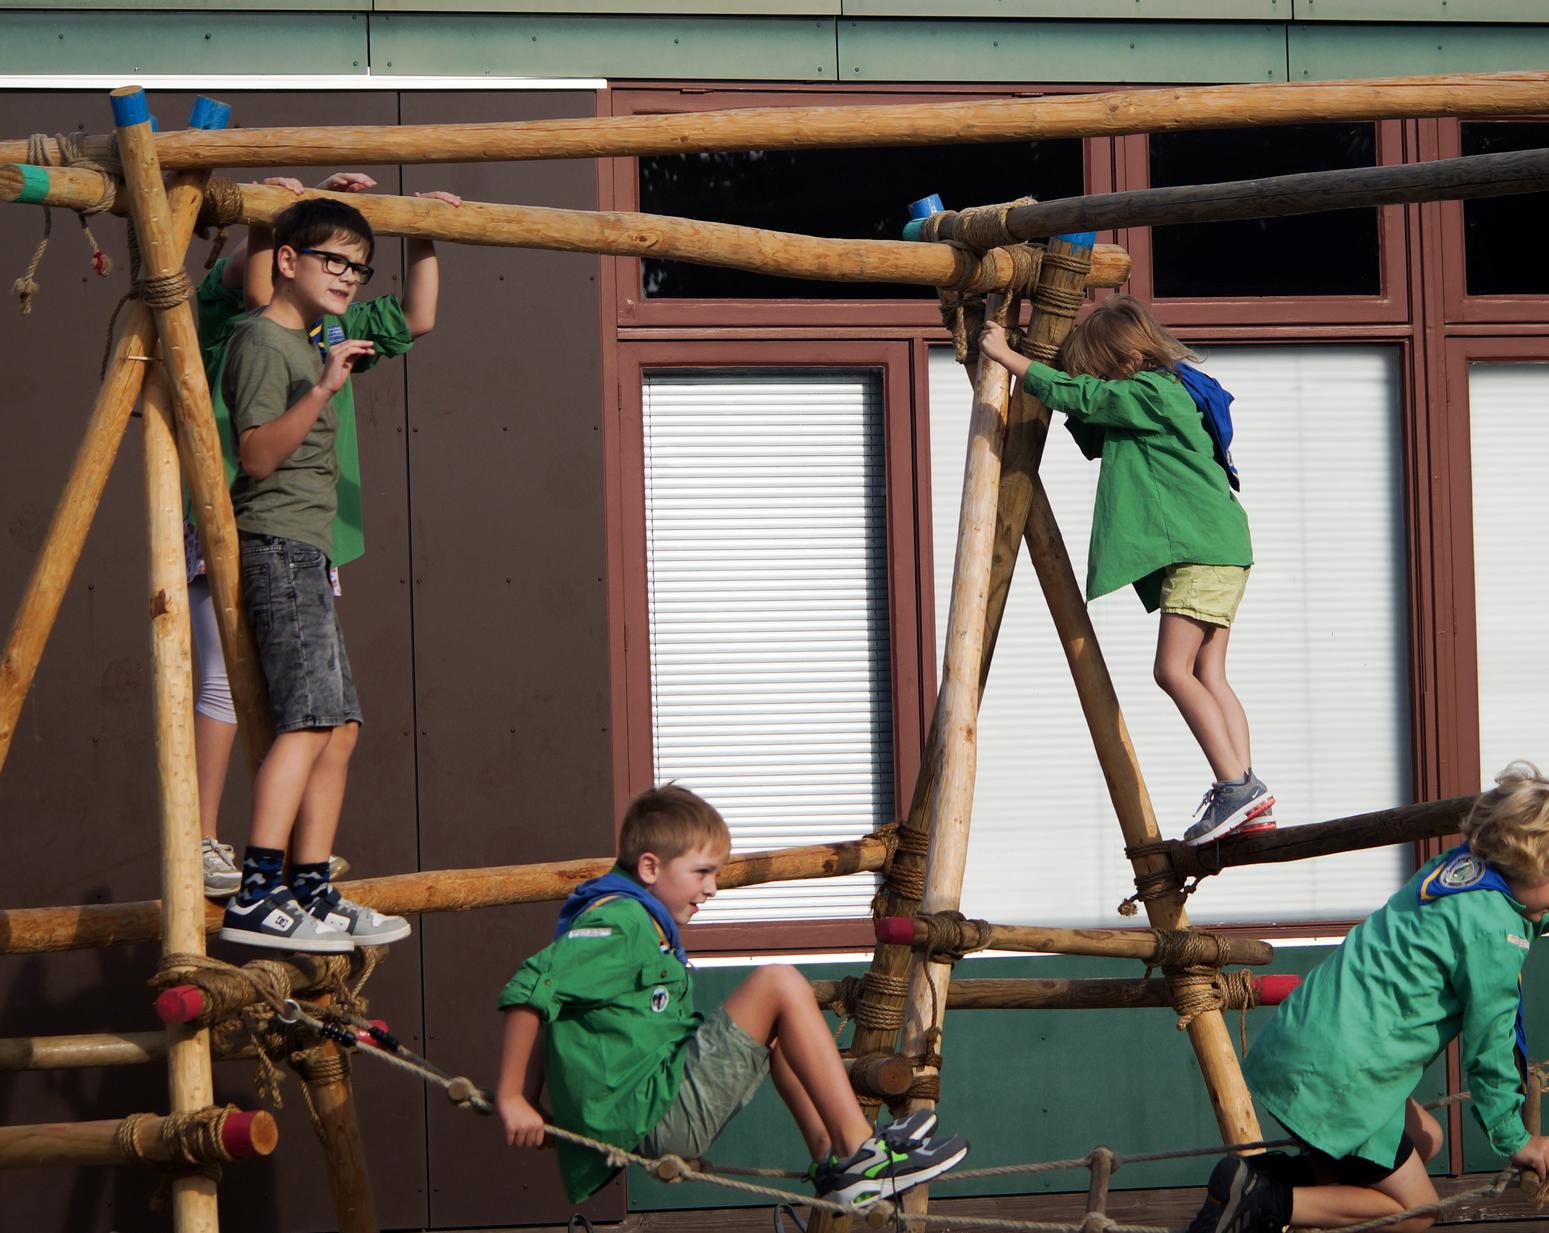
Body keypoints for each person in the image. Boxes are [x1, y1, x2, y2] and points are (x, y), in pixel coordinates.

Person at [1183, 763, 1549, 1233]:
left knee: (1427, 1138)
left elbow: (1529, 897)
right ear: (1522, 865)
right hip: (1346, 1077)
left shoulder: (1460, 868)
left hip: (1307, 1041)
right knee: (1417, 1213)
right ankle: (1269, 1199)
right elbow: (1490, 1046)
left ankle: (1259, 1182)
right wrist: (1515, 1139)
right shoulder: (1495, 934)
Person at [494, 785, 970, 1207]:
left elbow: (555, 1005)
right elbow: (533, 990)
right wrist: (514, 1095)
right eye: (702, 872)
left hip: (654, 1108)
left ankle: (834, 1158)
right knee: (779, 983)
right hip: (655, 1113)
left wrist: (533, 1099)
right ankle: (859, 1152)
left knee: (785, 1027)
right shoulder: (620, 923)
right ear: (649, 866)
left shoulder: (636, 920)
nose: (712, 888)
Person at [188, 173, 457, 899]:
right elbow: (252, 286)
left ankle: (302, 866)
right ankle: (212, 844)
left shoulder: (326, 336)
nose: (343, 275)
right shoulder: (250, 331)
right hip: (241, 519)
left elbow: (415, 316)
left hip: (308, 534)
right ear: (282, 256)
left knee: (320, 714)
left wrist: (417, 225)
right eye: (327, 259)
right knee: (227, 684)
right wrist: (278, 215)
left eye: (352, 265)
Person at [978, 296, 1271, 844]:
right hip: (1223, 548)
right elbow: (1089, 412)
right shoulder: (1171, 391)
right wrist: (1043, 368)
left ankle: (1236, 787)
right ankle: (1248, 791)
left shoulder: (1151, 392)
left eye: (1100, 371)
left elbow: (1084, 397)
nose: (1098, 384)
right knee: (1209, 673)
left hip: (1199, 551)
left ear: (1123, 361)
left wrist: (1007, 358)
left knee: (1172, 671)